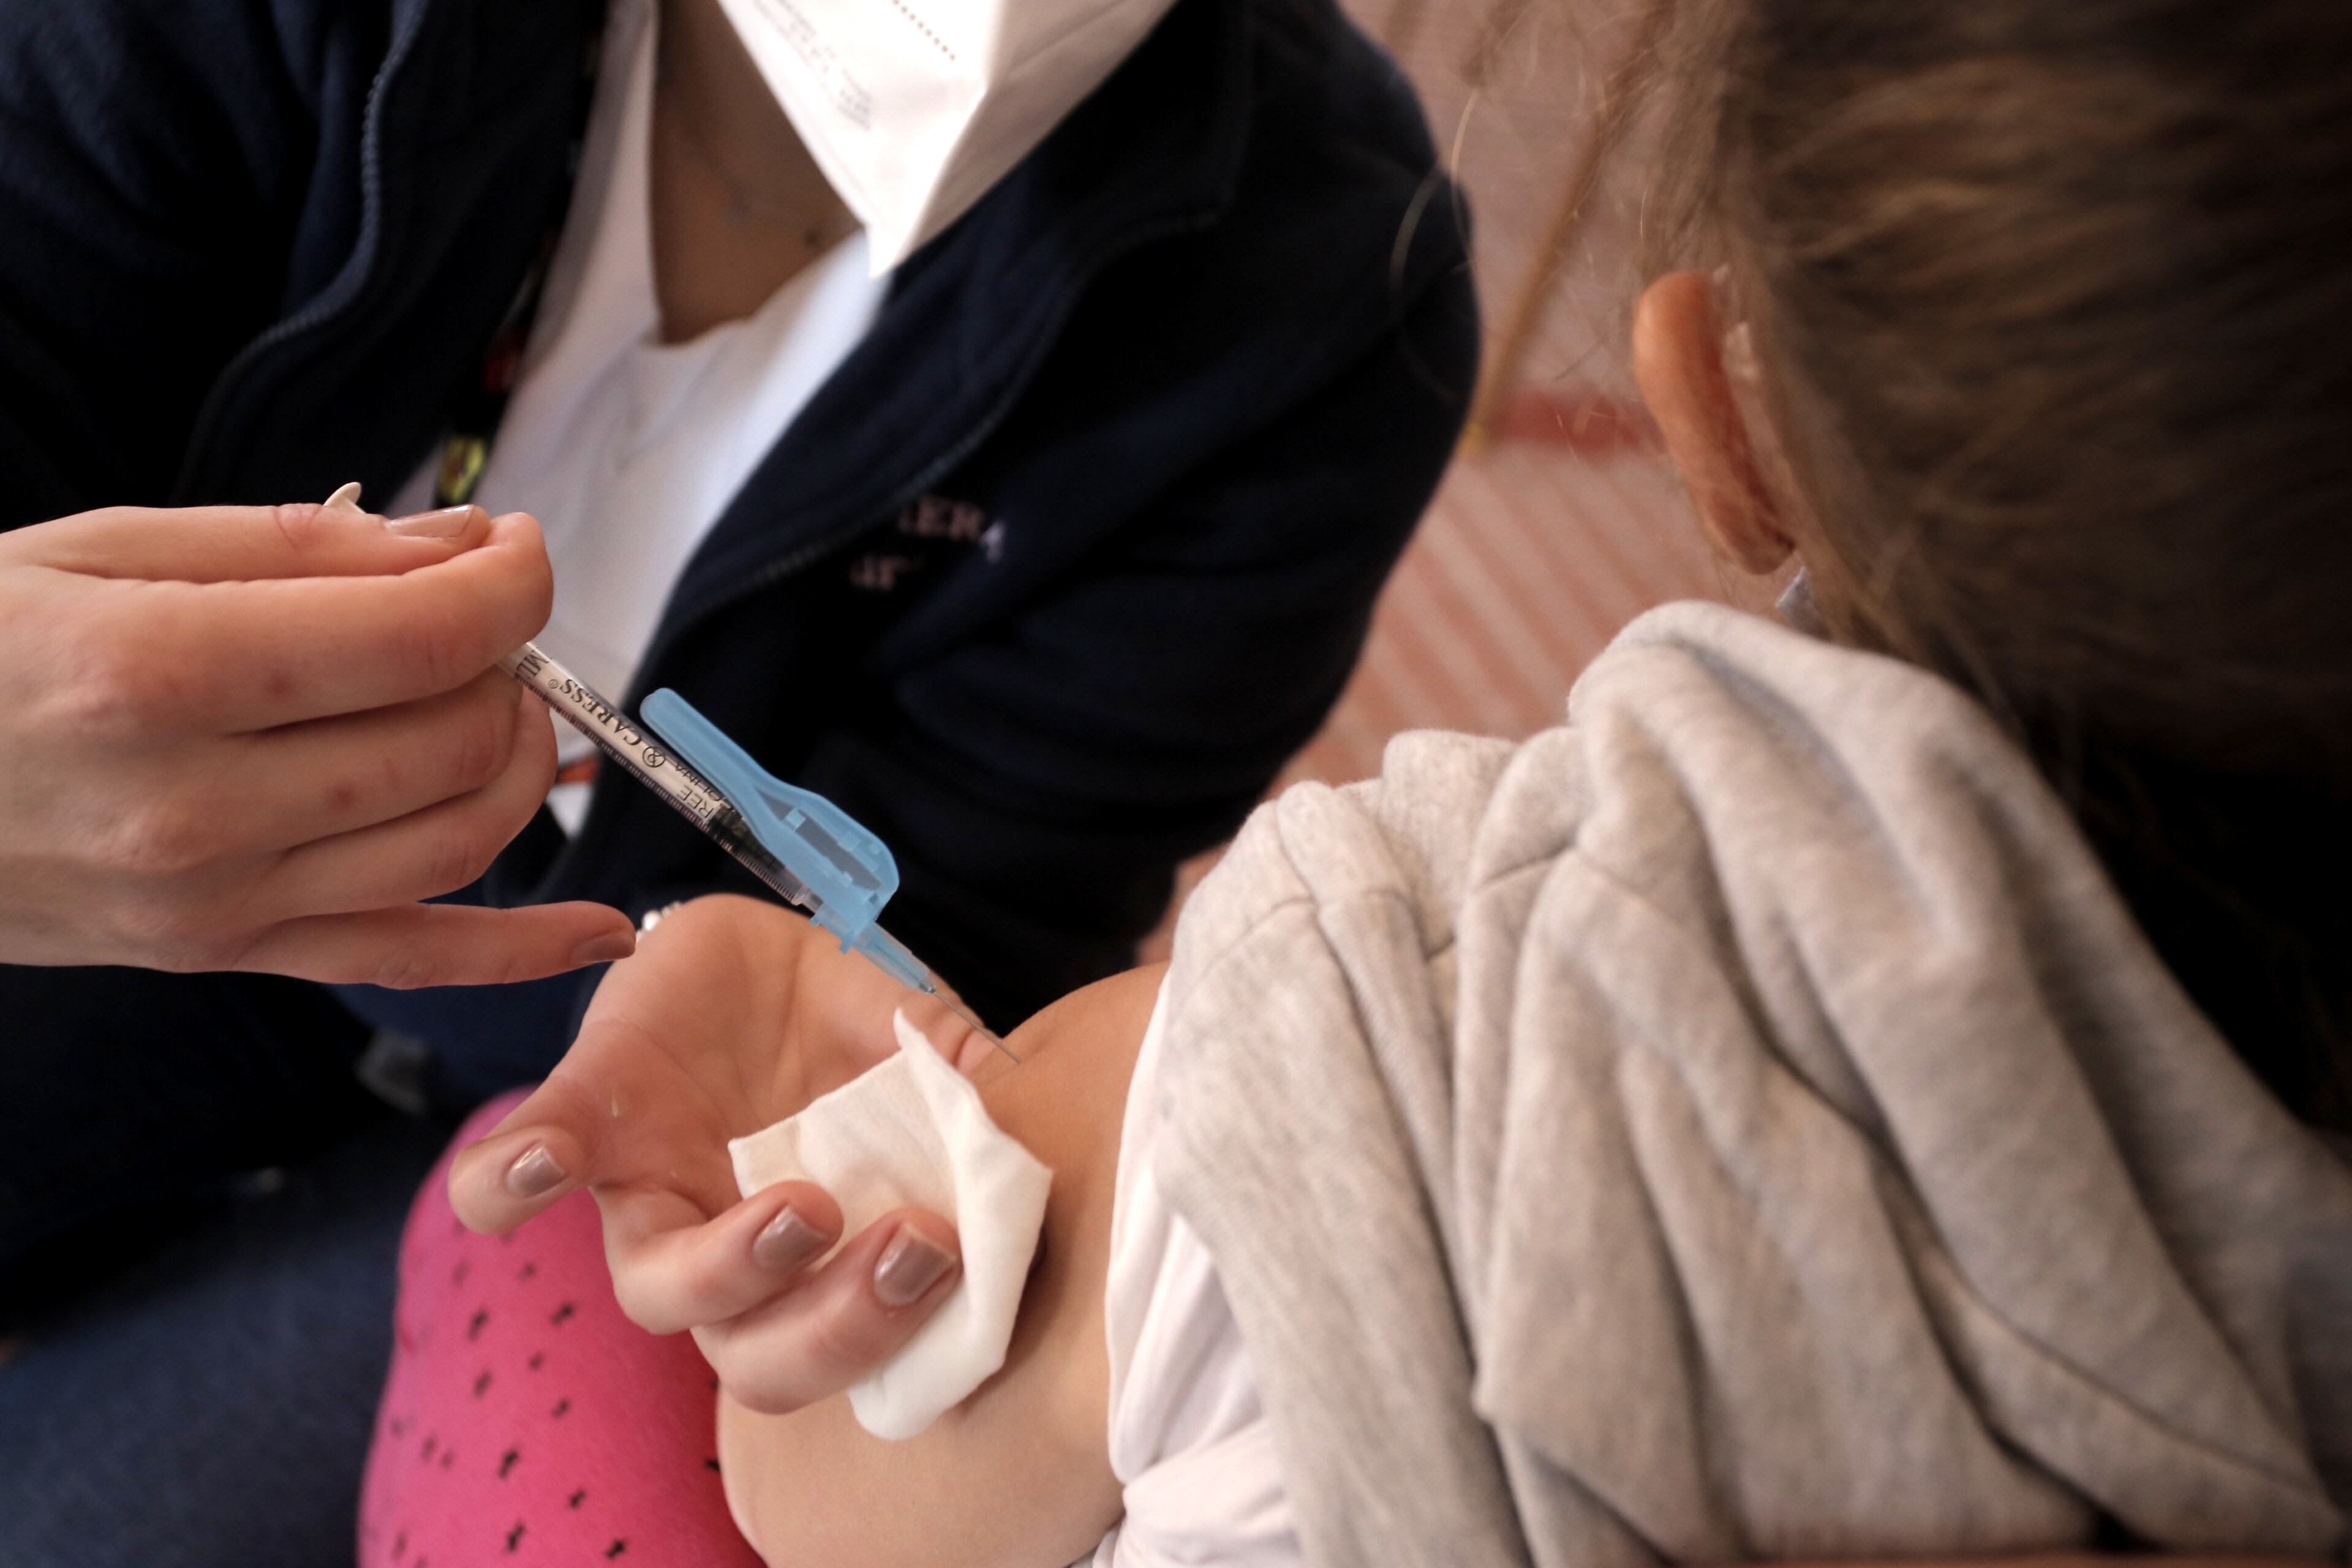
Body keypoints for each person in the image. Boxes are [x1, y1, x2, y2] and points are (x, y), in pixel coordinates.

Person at [402, 0, 2352, 1559]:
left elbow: (827, 1490)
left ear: (1720, 414)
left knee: (514, 1267)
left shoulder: (1371, 1010)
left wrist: (843, 1160)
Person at [0, 0, 1476, 1556]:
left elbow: (950, 944)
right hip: (113, 916)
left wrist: (837, 1089)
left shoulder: (1327, 287)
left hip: (598, 1116)